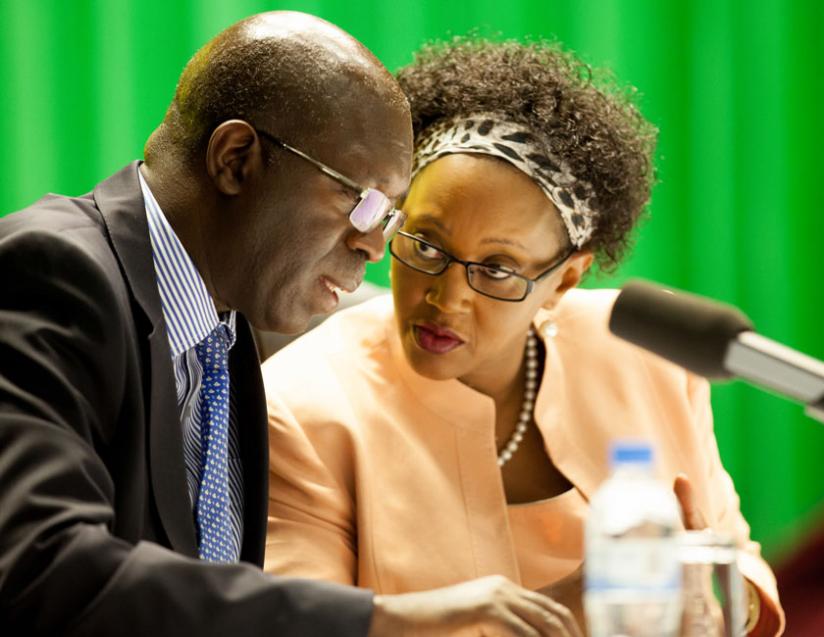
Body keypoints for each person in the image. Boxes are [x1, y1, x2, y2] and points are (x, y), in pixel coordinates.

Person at [0, 14, 580, 637]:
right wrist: (383, 618)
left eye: (386, 215)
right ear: (236, 159)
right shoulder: (53, 273)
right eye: (359, 199)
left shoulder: (226, 332)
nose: (373, 245)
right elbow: (42, 566)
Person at [262, 37, 785, 635]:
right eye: (426, 245)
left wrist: (715, 598)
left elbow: (738, 568)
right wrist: (565, 610)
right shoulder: (301, 408)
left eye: (497, 269)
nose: (446, 298)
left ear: (565, 279)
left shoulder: (648, 353)